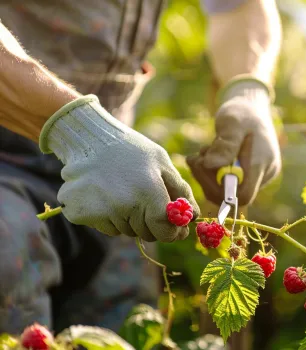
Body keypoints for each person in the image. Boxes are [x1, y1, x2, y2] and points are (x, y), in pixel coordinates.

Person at [0, 0, 282, 334]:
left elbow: (238, 7)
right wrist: (79, 132)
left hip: (119, 173)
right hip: (10, 161)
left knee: (126, 329)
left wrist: (248, 89)